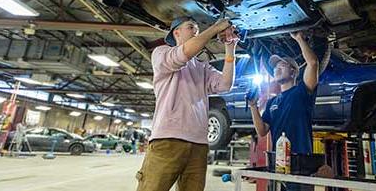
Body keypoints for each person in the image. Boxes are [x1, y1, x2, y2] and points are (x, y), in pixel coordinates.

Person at [136, 16, 238, 191]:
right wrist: (215, 28)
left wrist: (230, 48)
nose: (196, 32)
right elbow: (185, 52)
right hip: (168, 140)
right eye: (191, 27)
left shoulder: (202, 67)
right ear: (176, 33)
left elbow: (225, 84)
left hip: (198, 144)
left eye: (197, 29)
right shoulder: (161, 53)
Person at [249, 31, 318, 191]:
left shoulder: (303, 91)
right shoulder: (273, 101)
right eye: (275, 67)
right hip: (279, 161)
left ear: (293, 71)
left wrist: (299, 38)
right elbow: (262, 131)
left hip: (301, 161)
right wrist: (253, 107)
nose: (276, 69)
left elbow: (313, 63)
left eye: (282, 65)